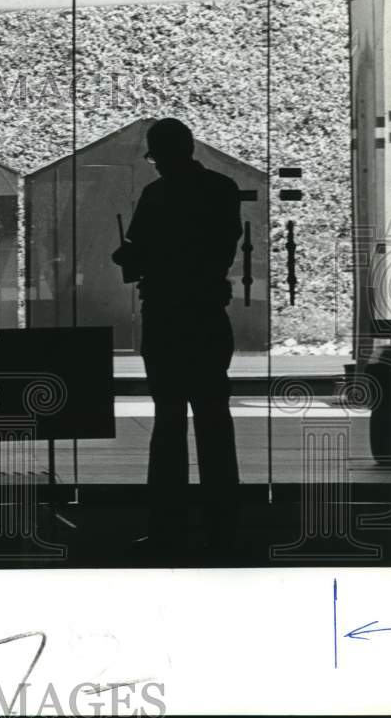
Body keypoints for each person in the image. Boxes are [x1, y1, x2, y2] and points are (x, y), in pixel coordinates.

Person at [112, 118, 242, 554]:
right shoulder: (221, 190)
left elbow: (140, 253)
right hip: (206, 315)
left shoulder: (156, 194)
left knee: (168, 421)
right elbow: (221, 248)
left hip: (165, 317)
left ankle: (167, 528)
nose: (156, 166)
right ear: (190, 147)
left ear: (162, 154)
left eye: (154, 157)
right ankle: (224, 528)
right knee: (214, 421)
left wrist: (131, 257)